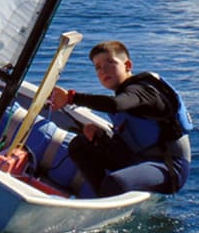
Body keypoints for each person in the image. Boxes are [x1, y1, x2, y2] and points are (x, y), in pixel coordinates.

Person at [49, 41, 191, 197]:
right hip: (136, 157)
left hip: (167, 167)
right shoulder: (125, 93)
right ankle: (101, 196)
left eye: (110, 62)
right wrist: (100, 135)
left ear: (128, 65)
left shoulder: (142, 91)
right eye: (98, 67)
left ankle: (105, 198)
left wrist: (71, 98)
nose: (104, 70)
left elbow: (115, 104)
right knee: (79, 145)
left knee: (114, 183)